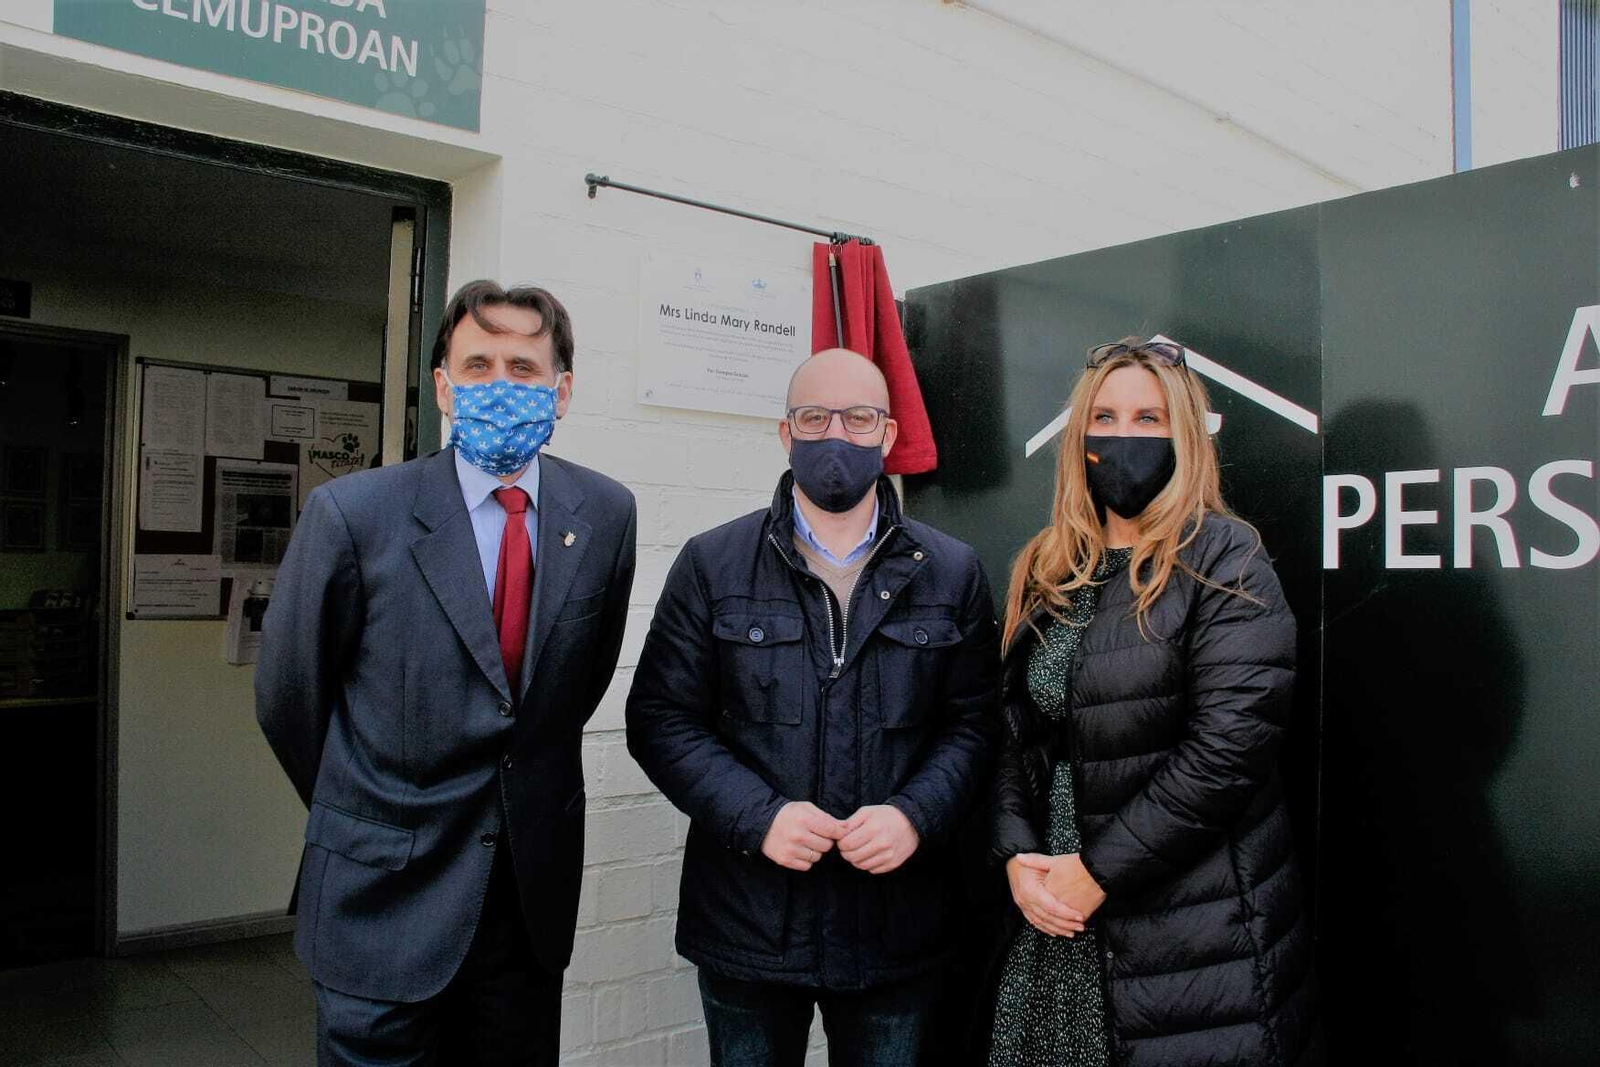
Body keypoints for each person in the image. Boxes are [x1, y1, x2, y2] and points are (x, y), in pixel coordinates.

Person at [255, 280, 637, 1066]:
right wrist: (373, 809)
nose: (501, 384)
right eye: (478, 364)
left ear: (561, 390)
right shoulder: (354, 514)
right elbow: (289, 699)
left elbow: (572, 686)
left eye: (524, 368)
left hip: (524, 906)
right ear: (443, 385)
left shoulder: (605, 513)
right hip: (382, 903)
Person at [625, 348, 1000, 1067]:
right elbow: (661, 718)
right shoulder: (713, 563)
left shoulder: (951, 572)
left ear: (888, 435)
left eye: (859, 418)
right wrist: (756, 815)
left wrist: (915, 815)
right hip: (749, 923)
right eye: (814, 416)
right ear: (784, 431)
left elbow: (975, 722)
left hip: (895, 929)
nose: (837, 434)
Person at [984, 338, 1319, 1066]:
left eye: (1149, 417)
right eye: (1104, 415)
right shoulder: (1048, 564)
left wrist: (1096, 869)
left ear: (1187, 435)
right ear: (1079, 436)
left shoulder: (1226, 557)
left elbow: (1230, 747)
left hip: (1186, 928)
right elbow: (1014, 730)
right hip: (1054, 915)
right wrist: (1017, 853)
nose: (1124, 435)